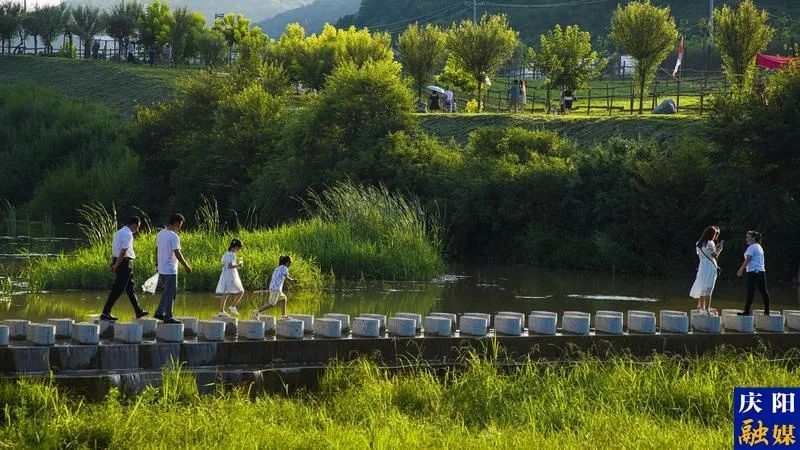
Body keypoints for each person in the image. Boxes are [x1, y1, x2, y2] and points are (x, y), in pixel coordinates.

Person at [100, 216, 149, 321]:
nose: (137, 229)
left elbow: (115, 249)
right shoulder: (128, 234)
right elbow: (123, 252)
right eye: (137, 226)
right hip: (123, 263)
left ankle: (138, 311)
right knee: (117, 289)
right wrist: (116, 265)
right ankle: (105, 312)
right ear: (134, 224)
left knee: (130, 289)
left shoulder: (119, 232)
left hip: (119, 261)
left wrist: (113, 262)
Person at [154, 214, 192, 324]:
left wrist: (157, 264)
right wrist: (186, 266)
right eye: (180, 224)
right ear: (176, 223)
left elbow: (157, 250)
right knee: (171, 293)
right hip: (170, 269)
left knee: (167, 292)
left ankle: (159, 312)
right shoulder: (174, 236)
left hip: (161, 268)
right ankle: (168, 316)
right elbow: (177, 253)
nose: (180, 227)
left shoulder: (161, 233)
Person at [690, 226, 723, 314]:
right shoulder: (710, 243)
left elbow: (703, 255)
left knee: (702, 287)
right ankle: (707, 309)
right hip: (710, 267)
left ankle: (702, 307)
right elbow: (714, 255)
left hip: (702, 266)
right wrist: (719, 249)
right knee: (709, 288)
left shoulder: (698, 243)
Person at [737, 231, 771, 316]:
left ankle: (746, 311)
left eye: (748, 237)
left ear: (753, 238)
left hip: (753, 272)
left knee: (750, 291)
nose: (746, 239)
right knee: (763, 291)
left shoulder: (752, 247)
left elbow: (748, 259)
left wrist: (741, 269)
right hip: (761, 272)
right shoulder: (759, 247)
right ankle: (767, 311)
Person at [253, 255, 297, 320]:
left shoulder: (277, 268)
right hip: (276, 289)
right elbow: (287, 278)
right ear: (287, 263)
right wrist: (293, 280)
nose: (290, 265)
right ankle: (257, 311)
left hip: (273, 287)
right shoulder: (285, 268)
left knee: (284, 299)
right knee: (271, 303)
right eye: (290, 263)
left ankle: (284, 316)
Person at [216, 239, 245, 317]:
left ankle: (222, 311)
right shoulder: (232, 254)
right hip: (231, 276)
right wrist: (238, 265)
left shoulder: (226, 253)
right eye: (239, 248)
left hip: (225, 274)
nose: (239, 250)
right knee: (241, 291)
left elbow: (223, 262)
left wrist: (235, 265)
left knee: (226, 293)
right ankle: (232, 306)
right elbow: (229, 266)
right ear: (236, 247)